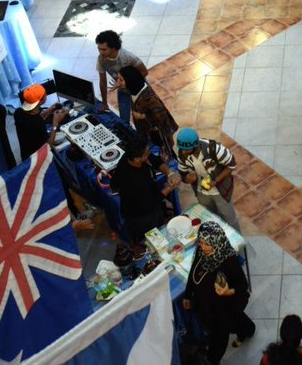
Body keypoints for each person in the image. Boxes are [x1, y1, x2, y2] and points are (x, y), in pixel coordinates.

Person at [184, 220, 255, 364]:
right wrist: (187, 294)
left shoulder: (229, 261)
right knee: (238, 320)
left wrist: (228, 292)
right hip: (206, 304)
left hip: (222, 309)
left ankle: (212, 360)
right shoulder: (201, 250)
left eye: (207, 244)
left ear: (217, 243)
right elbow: (194, 270)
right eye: (201, 242)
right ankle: (248, 330)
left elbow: (242, 286)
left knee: (219, 338)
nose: (202, 247)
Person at [104, 135, 175, 242]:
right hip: (142, 216)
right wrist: (170, 187)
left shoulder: (130, 156)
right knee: (153, 239)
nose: (149, 153)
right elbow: (152, 202)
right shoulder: (134, 182)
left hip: (147, 201)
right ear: (137, 159)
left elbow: (154, 159)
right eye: (146, 153)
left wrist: (170, 173)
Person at [175, 128, 239, 226]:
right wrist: (188, 179)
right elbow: (183, 175)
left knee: (229, 219)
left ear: (195, 146)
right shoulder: (182, 155)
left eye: (186, 149)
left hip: (220, 190)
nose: (183, 152)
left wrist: (215, 181)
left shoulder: (215, 149)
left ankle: (237, 240)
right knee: (209, 216)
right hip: (201, 191)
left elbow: (231, 165)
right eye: (182, 149)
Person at [119, 65, 178, 160]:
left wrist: (142, 116)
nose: (118, 82)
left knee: (166, 155)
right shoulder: (133, 90)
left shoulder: (149, 98)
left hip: (158, 135)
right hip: (146, 131)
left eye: (121, 80)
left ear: (130, 80)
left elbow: (161, 117)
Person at [95, 29, 146, 125]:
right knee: (124, 121)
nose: (100, 52)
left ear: (113, 48)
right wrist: (105, 103)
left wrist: (126, 82)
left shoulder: (128, 56)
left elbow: (144, 72)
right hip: (122, 89)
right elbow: (102, 82)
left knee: (143, 119)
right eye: (99, 49)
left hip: (137, 90)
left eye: (104, 49)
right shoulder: (101, 59)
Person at [14, 84, 69, 160]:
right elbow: (48, 146)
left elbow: (34, 116)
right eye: (45, 94)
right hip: (36, 159)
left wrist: (49, 110)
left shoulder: (18, 112)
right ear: (40, 101)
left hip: (25, 154)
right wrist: (55, 123)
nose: (46, 94)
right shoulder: (37, 124)